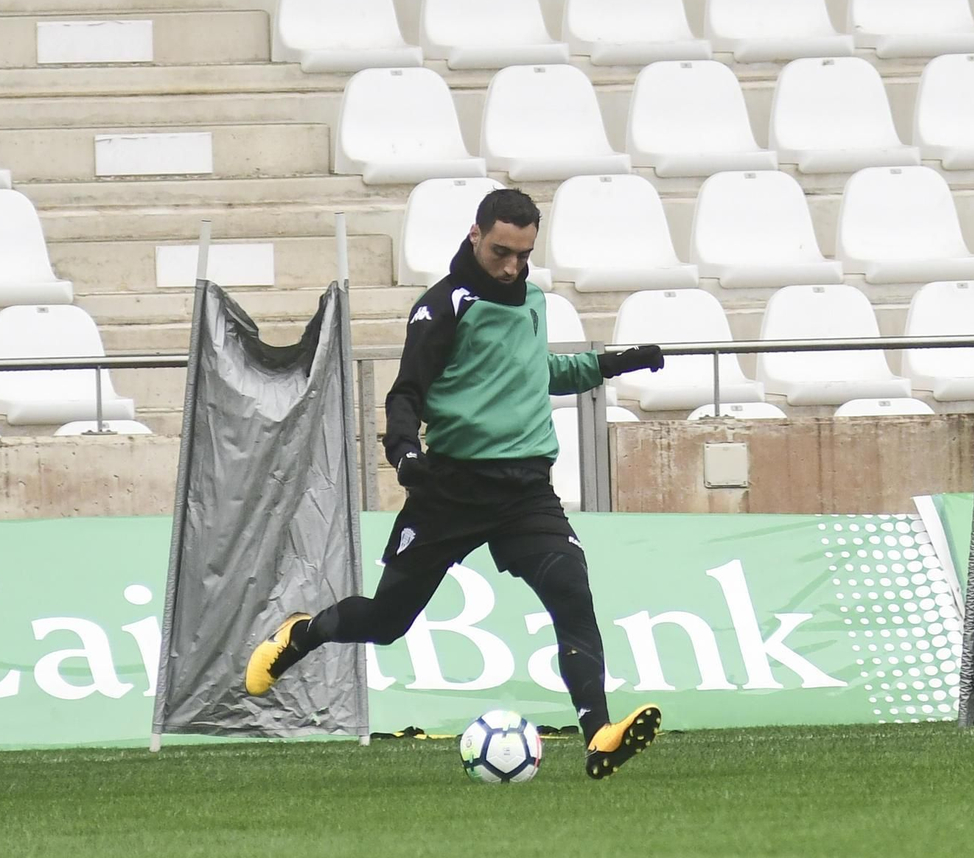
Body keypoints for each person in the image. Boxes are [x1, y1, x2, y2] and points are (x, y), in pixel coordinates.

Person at [244, 188, 666, 779]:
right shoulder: (443, 307)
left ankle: (599, 734)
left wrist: (611, 364)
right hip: (451, 492)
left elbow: (535, 373)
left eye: (523, 254)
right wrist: (404, 451)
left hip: (525, 491)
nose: (512, 265)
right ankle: (302, 635)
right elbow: (405, 393)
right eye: (501, 251)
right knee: (388, 622)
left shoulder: (533, 300)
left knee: (572, 591)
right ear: (475, 234)